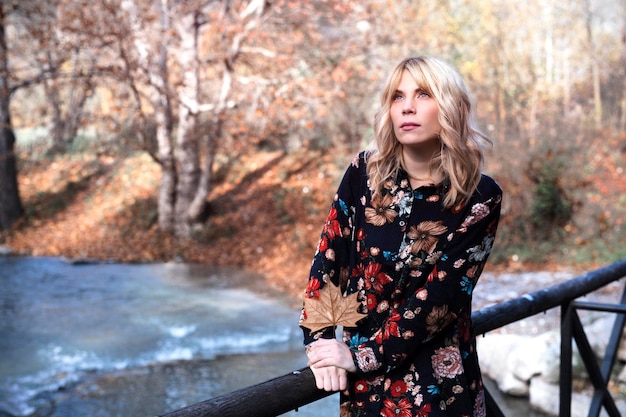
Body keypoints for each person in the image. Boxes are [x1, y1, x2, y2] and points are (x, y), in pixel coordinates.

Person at [299, 56, 502, 417]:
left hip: (438, 389)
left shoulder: (480, 197)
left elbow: (439, 299)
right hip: (363, 389)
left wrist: (361, 356)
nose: (407, 106)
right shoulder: (364, 173)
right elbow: (329, 259)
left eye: (423, 95)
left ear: (450, 107)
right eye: (397, 96)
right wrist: (320, 343)